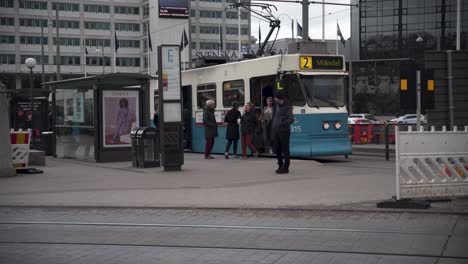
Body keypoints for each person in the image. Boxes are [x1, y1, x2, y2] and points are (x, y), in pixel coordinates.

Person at [271, 91, 295, 174]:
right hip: (276, 131)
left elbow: (291, 119)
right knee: (277, 149)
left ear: (279, 98)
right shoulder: (276, 106)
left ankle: (286, 167)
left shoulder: (287, 107)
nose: (274, 99)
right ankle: (280, 165)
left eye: (275, 97)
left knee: (285, 149)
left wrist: (282, 122)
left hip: (284, 131)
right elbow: (274, 118)